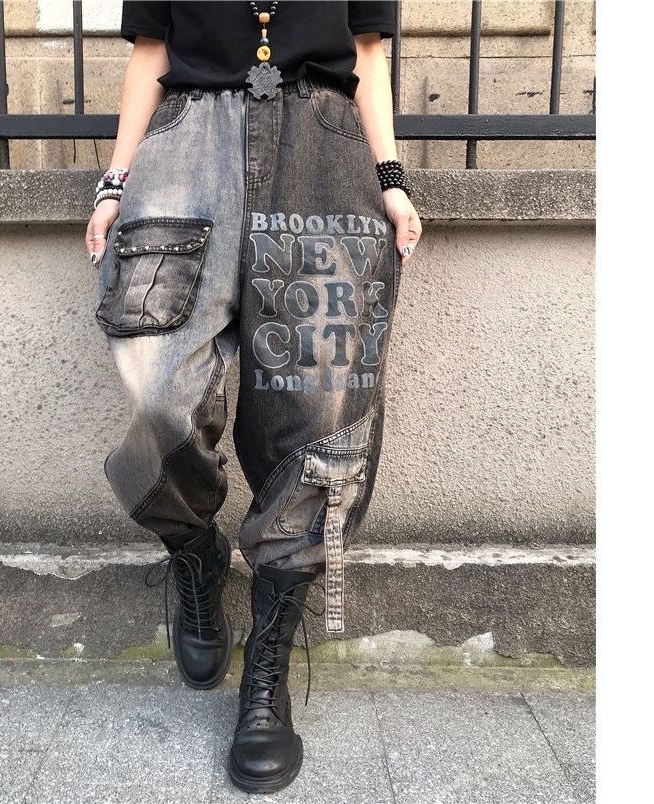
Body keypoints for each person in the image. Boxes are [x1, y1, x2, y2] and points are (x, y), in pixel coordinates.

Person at [85, 0, 421, 793]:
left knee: (320, 422)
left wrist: (391, 179)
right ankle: (194, 553)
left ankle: (266, 666)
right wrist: (114, 182)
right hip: (186, 149)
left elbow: (367, 54)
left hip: (325, 151)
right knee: (159, 396)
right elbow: (150, 53)